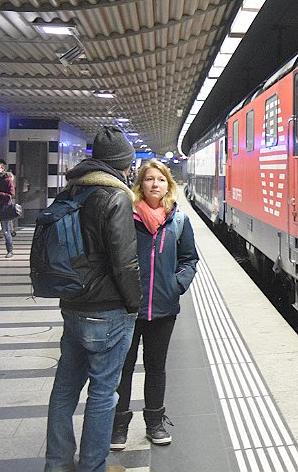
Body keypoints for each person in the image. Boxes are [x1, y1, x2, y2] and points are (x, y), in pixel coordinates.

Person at [44, 127, 141, 472]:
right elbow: (125, 261)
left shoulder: (72, 190)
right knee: (103, 393)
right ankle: (92, 466)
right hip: (107, 311)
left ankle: (56, 464)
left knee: (65, 390)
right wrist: (135, 304)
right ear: (122, 165)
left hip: (73, 305)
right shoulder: (115, 197)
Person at [112, 159, 198, 449]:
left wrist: (177, 285)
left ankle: (154, 423)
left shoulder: (180, 221)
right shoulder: (126, 217)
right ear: (140, 184)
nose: (155, 184)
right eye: (149, 179)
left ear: (168, 185)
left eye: (160, 180)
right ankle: (118, 426)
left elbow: (189, 259)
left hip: (163, 308)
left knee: (156, 368)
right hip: (128, 308)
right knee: (123, 368)